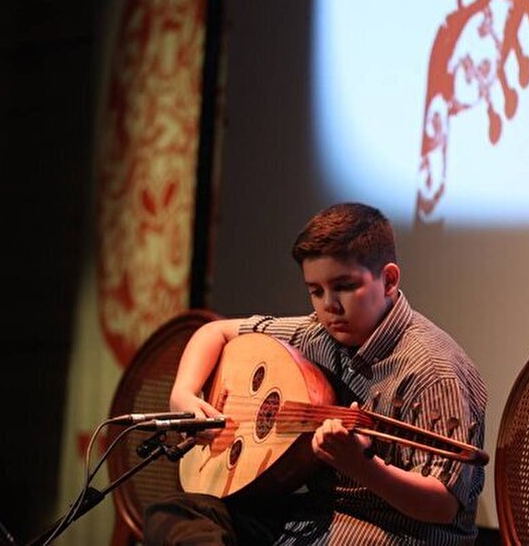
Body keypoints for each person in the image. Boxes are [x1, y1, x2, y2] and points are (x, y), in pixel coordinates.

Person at [144, 202, 487, 545]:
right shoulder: (316, 335)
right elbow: (214, 333)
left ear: (389, 280)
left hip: (402, 532)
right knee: (178, 514)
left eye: (345, 286)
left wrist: (363, 467)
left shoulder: (433, 369)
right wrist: (184, 394)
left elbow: (442, 505)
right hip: (322, 515)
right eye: (316, 291)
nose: (329, 306)